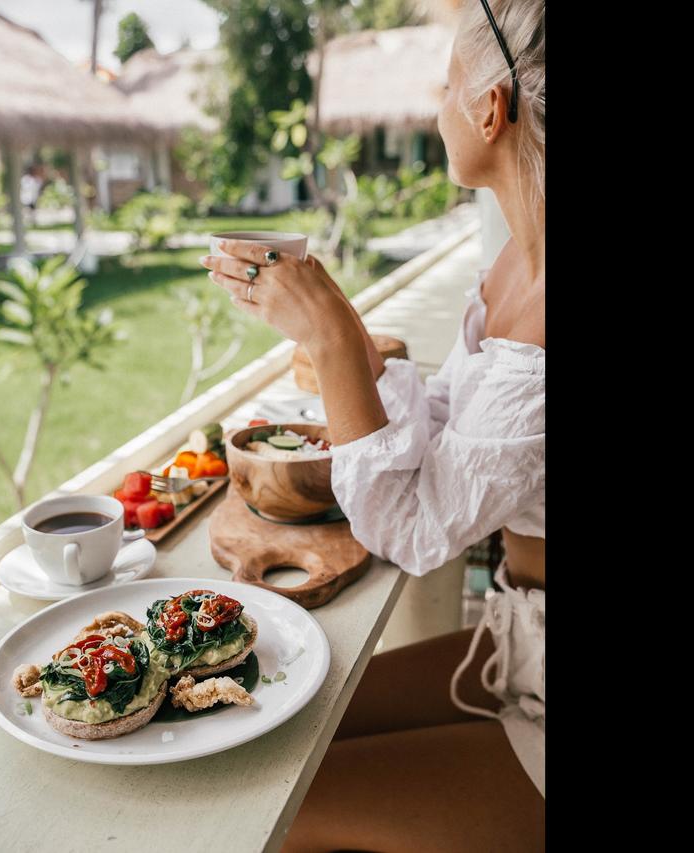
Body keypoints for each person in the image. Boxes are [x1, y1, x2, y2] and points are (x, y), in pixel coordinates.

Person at [199, 1, 545, 849]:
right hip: (519, 640)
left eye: (448, 83)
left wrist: (328, 339)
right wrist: (338, 324)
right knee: (269, 728)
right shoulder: (518, 261)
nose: (436, 101)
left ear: (491, 109)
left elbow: (413, 530)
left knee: (264, 811)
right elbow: (450, 425)